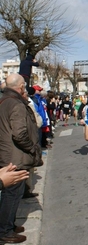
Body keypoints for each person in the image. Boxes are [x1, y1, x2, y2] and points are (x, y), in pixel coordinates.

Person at [0, 73, 42, 244]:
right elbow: (19, 134)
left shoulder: (5, 100)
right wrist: (32, 148)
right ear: (21, 87)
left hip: (8, 153)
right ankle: (5, 230)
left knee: (11, 194)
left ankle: (8, 224)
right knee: (12, 194)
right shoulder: (16, 104)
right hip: (15, 156)